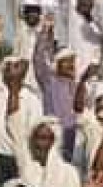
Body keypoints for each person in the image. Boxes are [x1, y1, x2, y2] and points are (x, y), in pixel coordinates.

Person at [15, 116, 82, 187]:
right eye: (36, 138)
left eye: (43, 138)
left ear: (53, 141)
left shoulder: (69, 174)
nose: (38, 143)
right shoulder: (27, 172)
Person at [0, 55, 43, 187]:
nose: (10, 70)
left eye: (15, 66)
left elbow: (34, 131)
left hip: (20, 156)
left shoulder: (32, 99)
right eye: (7, 67)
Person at [34, 15, 80, 161]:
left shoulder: (76, 84)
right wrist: (46, 31)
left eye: (72, 61)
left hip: (73, 135)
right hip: (54, 134)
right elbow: (39, 58)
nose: (71, 65)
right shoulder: (49, 80)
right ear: (57, 64)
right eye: (66, 61)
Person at [4, 0, 43, 95]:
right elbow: (13, 2)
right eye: (29, 13)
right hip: (20, 81)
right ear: (24, 15)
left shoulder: (43, 32)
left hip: (39, 83)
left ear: (39, 15)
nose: (32, 15)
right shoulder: (21, 27)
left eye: (35, 13)